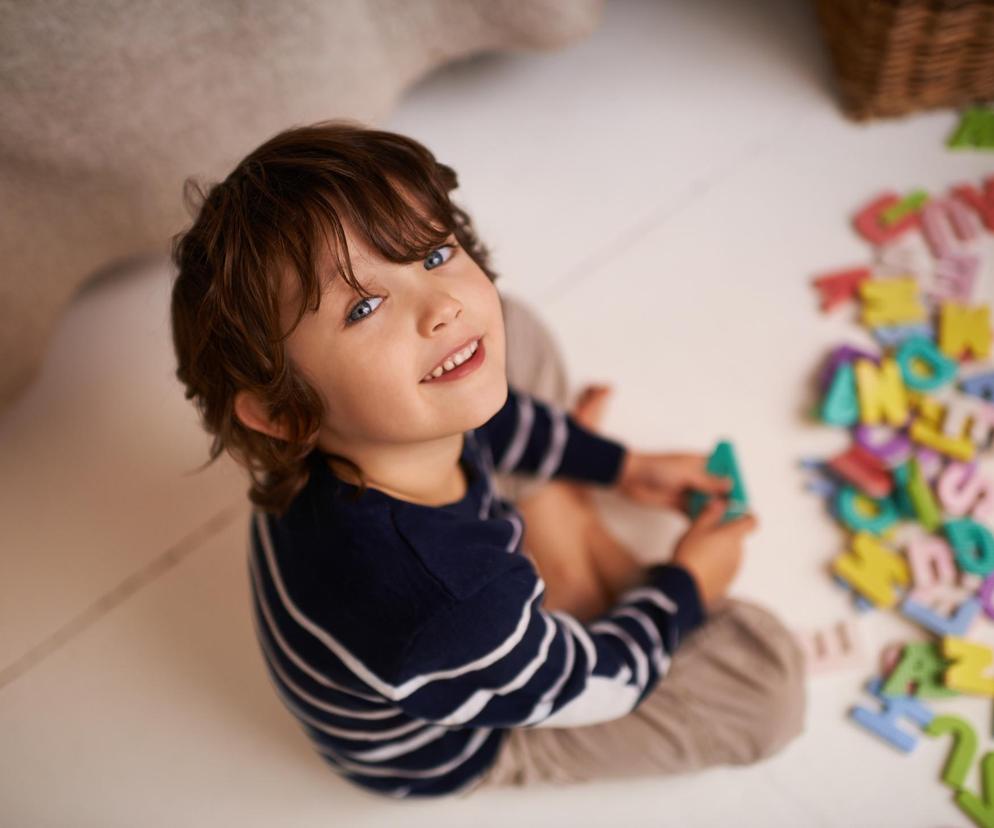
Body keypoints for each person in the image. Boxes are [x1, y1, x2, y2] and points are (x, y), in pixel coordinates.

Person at [168, 119, 807, 800]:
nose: (440, 305)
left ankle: (559, 542)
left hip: (467, 610)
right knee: (767, 689)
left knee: (509, 332)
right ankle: (579, 562)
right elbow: (605, 683)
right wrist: (688, 583)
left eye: (435, 255)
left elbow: (496, 421)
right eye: (365, 307)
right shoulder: (450, 602)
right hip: (466, 731)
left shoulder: (372, 426)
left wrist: (623, 467)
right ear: (286, 414)